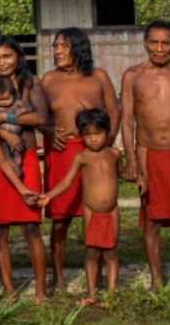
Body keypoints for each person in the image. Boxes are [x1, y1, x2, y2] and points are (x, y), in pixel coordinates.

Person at [41, 28, 120, 294]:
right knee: (60, 220)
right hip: (61, 152)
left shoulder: (98, 76)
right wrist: (49, 132)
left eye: (63, 46)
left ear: (78, 48)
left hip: (94, 151)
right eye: (55, 47)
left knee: (98, 213)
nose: (57, 52)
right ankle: (58, 276)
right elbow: (39, 117)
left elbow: (114, 111)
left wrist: (106, 146)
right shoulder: (48, 79)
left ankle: (99, 277)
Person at [121, 22, 170, 294]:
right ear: (145, 43)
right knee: (152, 220)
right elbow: (127, 121)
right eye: (154, 42)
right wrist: (131, 161)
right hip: (147, 153)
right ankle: (156, 279)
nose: (159, 48)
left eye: (165, 43)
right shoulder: (132, 76)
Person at [0, 34, 49, 303]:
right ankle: (9, 289)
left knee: (32, 226)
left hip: (27, 157)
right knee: (0, 229)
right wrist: (4, 132)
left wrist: (5, 116)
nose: (2, 62)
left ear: (18, 56)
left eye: (7, 56)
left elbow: (40, 117)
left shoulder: (32, 83)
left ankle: (41, 290)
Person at [39, 108, 122, 306]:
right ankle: (91, 293)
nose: (93, 139)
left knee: (111, 253)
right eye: (88, 135)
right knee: (92, 252)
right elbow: (67, 182)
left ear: (107, 132)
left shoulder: (114, 154)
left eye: (98, 134)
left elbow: (121, 174)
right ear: (81, 135)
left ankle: (111, 293)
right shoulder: (81, 157)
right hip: (91, 212)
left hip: (112, 211)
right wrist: (49, 195)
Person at [0, 75, 30, 176]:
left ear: (14, 95)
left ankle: (17, 166)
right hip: (1, 139)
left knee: (18, 153)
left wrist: (21, 111)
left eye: (7, 99)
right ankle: (12, 167)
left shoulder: (17, 103)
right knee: (5, 154)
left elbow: (27, 112)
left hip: (17, 136)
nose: (3, 103)